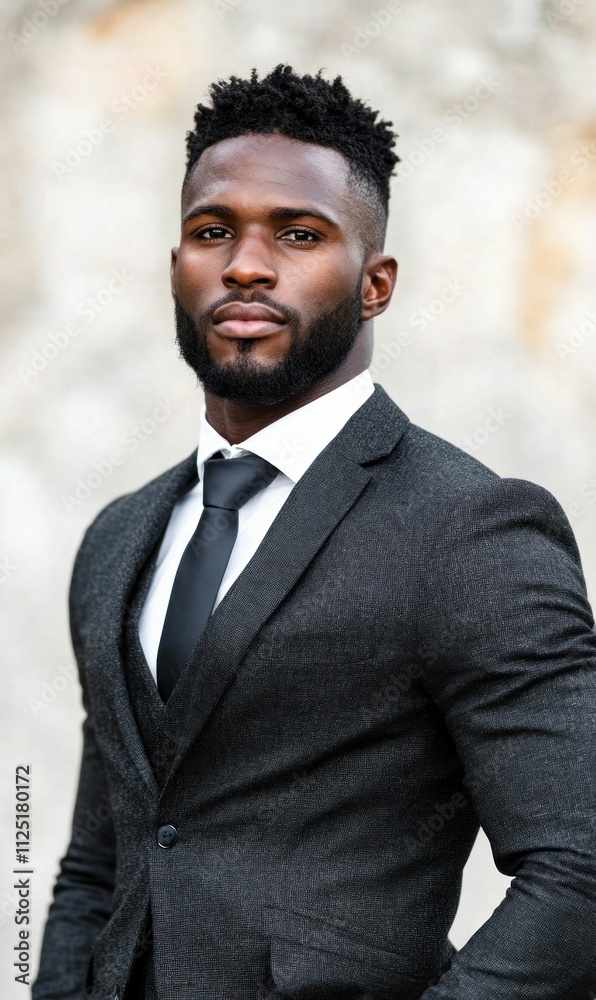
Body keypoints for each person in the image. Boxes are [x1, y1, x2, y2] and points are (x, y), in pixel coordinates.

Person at [33, 64, 596, 1000]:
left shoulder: (471, 531)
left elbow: (579, 870)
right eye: (212, 231)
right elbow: (99, 862)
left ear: (375, 284)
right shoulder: (118, 538)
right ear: (175, 267)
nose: (246, 265)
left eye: (299, 234)